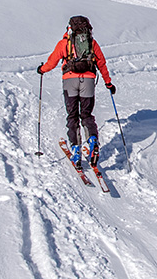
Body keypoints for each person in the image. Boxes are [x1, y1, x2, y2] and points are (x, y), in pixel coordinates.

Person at [37, 16, 115, 169]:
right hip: (88, 80)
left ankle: (76, 149)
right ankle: (93, 141)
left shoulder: (64, 43)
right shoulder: (91, 43)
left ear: (70, 28)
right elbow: (101, 63)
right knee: (86, 114)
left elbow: (52, 62)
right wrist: (108, 83)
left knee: (72, 115)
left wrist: (42, 69)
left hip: (70, 81)